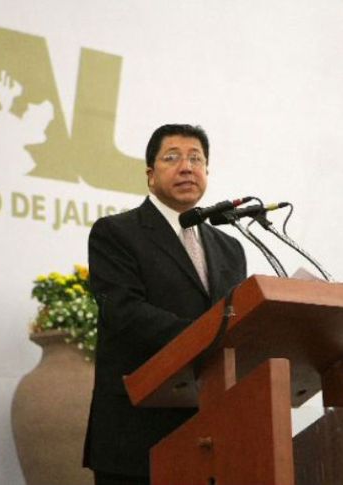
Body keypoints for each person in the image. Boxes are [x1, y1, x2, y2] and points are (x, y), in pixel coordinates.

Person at [82, 124, 248, 485]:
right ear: (150, 174)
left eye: (196, 159)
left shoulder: (230, 247)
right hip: (137, 434)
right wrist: (209, 335)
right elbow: (124, 312)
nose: (186, 167)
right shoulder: (116, 233)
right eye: (172, 158)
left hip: (213, 432)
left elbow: (234, 318)